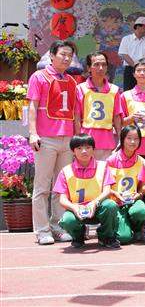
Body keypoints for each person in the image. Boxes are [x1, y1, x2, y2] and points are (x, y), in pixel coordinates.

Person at [27, 40, 78, 245]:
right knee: (42, 187)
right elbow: (33, 106)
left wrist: (77, 138)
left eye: (69, 55)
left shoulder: (72, 81)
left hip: (67, 139)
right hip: (46, 139)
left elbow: (75, 112)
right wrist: (33, 133)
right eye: (62, 54)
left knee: (61, 186)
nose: (66, 58)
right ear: (51, 55)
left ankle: (58, 226)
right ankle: (42, 230)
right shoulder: (38, 76)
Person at [53, 134, 120, 249]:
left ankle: (106, 237)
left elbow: (107, 191)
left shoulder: (103, 166)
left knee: (110, 205)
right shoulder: (65, 171)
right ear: (73, 151)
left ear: (93, 149)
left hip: (98, 208)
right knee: (68, 220)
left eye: (88, 147)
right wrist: (74, 207)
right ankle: (78, 236)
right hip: (77, 210)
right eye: (79, 148)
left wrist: (94, 203)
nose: (84, 151)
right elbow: (62, 199)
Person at [75, 52, 123, 160]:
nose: (100, 68)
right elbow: (77, 116)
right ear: (89, 68)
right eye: (96, 64)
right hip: (85, 141)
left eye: (104, 65)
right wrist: (78, 140)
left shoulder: (114, 90)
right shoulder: (81, 88)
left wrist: (120, 138)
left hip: (107, 142)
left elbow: (116, 117)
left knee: (104, 170)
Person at [107, 125, 145, 244]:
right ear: (122, 139)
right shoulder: (111, 160)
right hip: (116, 203)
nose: (132, 142)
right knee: (124, 238)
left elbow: (142, 187)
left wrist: (138, 195)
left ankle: (137, 229)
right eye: (129, 138)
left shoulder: (142, 162)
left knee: (141, 211)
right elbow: (105, 187)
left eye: (136, 139)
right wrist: (116, 194)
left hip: (133, 201)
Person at [118, 16, 145, 92]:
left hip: (144, 70)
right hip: (130, 69)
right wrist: (136, 66)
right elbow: (124, 54)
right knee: (128, 92)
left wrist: (143, 66)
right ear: (138, 27)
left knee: (144, 91)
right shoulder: (126, 39)